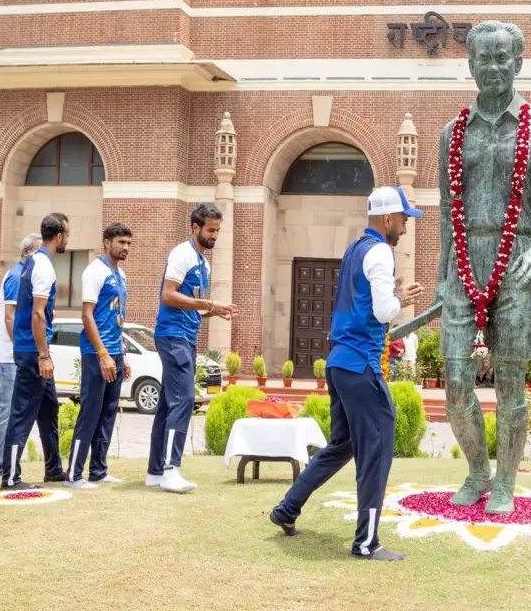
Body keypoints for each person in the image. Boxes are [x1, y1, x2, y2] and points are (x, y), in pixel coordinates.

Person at [270, 186, 423, 561]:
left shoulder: (356, 249)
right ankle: (367, 543)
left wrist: (392, 294)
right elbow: (385, 311)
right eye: (403, 219)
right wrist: (402, 298)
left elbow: (363, 301)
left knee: (343, 446)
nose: (405, 227)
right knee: (376, 452)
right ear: (387, 219)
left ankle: (286, 509)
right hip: (361, 365)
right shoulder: (382, 253)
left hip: (340, 362)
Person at [147, 204, 236, 493]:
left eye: (218, 231)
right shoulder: (182, 254)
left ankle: (155, 472)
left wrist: (214, 311)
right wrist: (209, 304)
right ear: (195, 227)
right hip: (172, 336)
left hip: (185, 335)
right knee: (184, 398)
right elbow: (169, 296)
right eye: (211, 230)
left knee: (168, 403)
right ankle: (171, 469)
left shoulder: (203, 264)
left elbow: (193, 306)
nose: (215, 236)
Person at [1, 213, 70, 490]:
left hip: (33, 349)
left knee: (48, 408)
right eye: (68, 234)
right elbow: (38, 315)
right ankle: (10, 477)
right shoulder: (43, 266)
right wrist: (43, 355)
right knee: (22, 412)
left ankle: (53, 468)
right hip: (33, 351)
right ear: (60, 236)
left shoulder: (33, 261)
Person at [67, 223, 133, 488]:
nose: (125, 248)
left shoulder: (121, 275)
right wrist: (103, 354)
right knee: (90, 413)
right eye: (120, 242)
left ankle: (98, 471)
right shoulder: (95, 271)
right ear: (107, 242)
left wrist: (122, 355)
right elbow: (87, 316)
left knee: (108, 413)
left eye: (128, 243)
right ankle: (73, 475)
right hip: (97, 354)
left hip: (115, 353)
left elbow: (115, 319)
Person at [0, 232, 40, 480]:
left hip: (14, 356)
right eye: (38, 252)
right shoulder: (16, 276)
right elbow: (9, 318)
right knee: (5, 410)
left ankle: (3, 463)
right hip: (9, 357)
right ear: (27, 253)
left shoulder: (24, 275)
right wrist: (22, 349)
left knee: (14, 410)